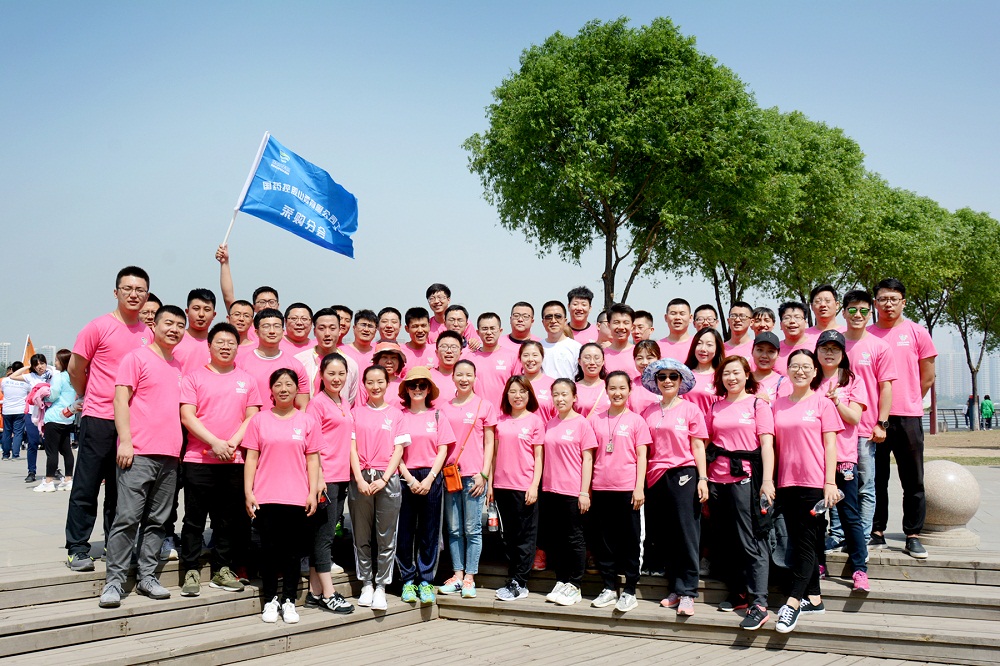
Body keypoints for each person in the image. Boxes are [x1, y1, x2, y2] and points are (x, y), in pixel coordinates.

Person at [65, 266, 153, 572]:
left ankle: (116, 546)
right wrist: (87, 394)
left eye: (140, 290)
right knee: (87, 485)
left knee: (121, 490)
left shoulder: (148, 334)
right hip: (99, 417)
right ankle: (77, 547)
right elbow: (75, 368)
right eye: (127, 289)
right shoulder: (97, 327)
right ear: (116, 292)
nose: (133, 294)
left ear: (146, 296)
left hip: (131, 423)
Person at [98, 305, 186, 609]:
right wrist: (125, 441)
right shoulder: (136, 358)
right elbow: (120, 400)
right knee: (127, 518)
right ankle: (114, 581)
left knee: (158, 520)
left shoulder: (179, 366)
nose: (174, 329)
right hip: (139, 453)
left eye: (179, 325)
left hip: (170, 455)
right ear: (154, 326)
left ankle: (148, 576)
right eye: (168, 323)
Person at [178, 322, 262, 599]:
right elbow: (187, 416)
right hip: (199, 460)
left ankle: (222, 569)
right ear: (209, 345)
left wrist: (232, 443)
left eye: (231, 343)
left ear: (238, 347)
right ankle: (190, 569)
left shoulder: (247, 380)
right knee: (194, 519)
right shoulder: (193, 378)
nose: (226, 347)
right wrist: (214, 442)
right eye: (220, 342)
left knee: (228, 520)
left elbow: (252, 417)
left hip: (234, 461)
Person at [769, 349, 843, 633]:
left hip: (814, 484)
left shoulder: (823, 403)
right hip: (786, 483)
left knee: (806, 542)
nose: (800, 371)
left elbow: (831, 446)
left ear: (814, 372)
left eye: (806, 367)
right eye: (795, 366)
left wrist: (830, 483)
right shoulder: (777, 405)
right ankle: (815, 598)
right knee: (800, 541)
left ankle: (793, 602)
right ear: (787, 370)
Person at [243, 368, 322, 624]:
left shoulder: (307, 421)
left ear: (297, 389)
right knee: (268, 552)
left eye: (289, 384)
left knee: (292, 553)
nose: (284, 389)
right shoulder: (259, 420)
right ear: (271, 390)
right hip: (266, 496)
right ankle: (270, 600)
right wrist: (248, 491)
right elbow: (251, 458)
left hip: (297, 497)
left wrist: (312, 492)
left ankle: (288, 600)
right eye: (278, 384)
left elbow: (313, 460)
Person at [867, 278, 936, 559]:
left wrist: (908, 399)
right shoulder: (867, 335)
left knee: (913, 479)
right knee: (875, 479)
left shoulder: (918, 333)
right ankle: (876, 531)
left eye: (894, 299)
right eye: (883, 299)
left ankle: (912, 534)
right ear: (875, 303)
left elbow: (927, 376)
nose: (888, 304)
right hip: (874, 419)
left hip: (908, 417)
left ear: (903, 302)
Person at [705, 355, 774, 630]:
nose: (731, 378)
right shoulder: (715, 406)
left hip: (746, 478)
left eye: (736, 372)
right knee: (726, 539)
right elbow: (706, 442)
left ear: (747, 375)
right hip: (716, 479)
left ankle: (760, 602)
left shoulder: (758, 405)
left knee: (751, 539)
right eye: (726, 373)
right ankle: (739, 593)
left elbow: (766, 445)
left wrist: (767, 481)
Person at [640, 358, 708, 617]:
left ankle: (688, 591)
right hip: (656, 476)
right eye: (662, 377)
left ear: (681, 381)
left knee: (686, 532)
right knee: (666, 535)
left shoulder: (691, 410)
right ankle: (675, 588)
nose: (667, 381)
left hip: (683, 473)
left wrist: (703, 478)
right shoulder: (648, 411)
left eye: (673, 376)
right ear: (655, 382)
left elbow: (698, 446)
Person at [589, 371, 651, 613]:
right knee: (604, 540)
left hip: (627, 489)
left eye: (622, 388)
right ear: (606, 391)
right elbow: (589, 456)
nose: (617, 393)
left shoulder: (637, 421)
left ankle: (630, 590)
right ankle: (608, 587)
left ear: (629, 390)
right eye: (612, 388)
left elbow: (642, 456)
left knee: (630, 539)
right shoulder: (595, 420)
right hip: (600, 487)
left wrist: (639, 487)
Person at [349, 366, 410, 611]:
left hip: (387, 478)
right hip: (361, 479)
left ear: (387, 383)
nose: (375, 387)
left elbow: (399, 450)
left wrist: (384, 479)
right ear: (364, 384)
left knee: (386, 535)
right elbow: (351, 448)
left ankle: (382, 585)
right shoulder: (355, 413)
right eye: (370, 382)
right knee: (361, 534)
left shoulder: (396, 415)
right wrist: (359, 479)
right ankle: (366, 583)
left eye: (380, 382)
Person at [839, 290, 895, 551]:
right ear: (844, 312)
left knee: (865, 485)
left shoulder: (879, 346)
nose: (857, 315)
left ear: (870, 313)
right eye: (852, 310)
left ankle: (860, 537)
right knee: (837, 484)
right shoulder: (834, 344)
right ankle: (838, 534)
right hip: (835, 428)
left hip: (864, 429)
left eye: (863, 310)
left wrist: (881, 423)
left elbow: (886, 387)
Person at [396, 366, 455, 606]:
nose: (417, 389)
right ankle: (408, 580)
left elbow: (443, 449)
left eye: (422, 385)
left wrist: (430, 477)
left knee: (430, 531)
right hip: (405, 476)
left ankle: (426, 580)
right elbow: (395, 451)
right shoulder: (399, 416)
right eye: (413, 385)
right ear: (406, 389)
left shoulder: (438, 415)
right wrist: (409, 478)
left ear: (429, 389)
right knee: (405, 531)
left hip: (432, 475)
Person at [815, 330, 870, 590]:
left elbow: (855, 418)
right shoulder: (810, 380)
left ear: (843, 353)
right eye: (824, 348)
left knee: (849, 515)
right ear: (816, 352)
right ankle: (818, 563)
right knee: (816, 516)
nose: (829, 353)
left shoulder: (852, 380)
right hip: (815, 459)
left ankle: (860, 569)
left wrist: (837, 401)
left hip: (844, 458)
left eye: (834, 349)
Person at [439, 359, 497, 599]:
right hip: (450, 475)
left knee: (472, 529)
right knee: (453, 529)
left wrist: (484, 474)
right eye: (459, 374)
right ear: (452, 377)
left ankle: (470, 577)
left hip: (474, 476)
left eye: (468, 375)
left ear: (475, 378)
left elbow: (489, 442)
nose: (464, 379)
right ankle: (457, 574)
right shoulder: (443, 408)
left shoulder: (485, 406)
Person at [303, 353, 356, 614]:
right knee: (324, 536)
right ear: (321, 375)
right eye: (331, 373)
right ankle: (329, 593)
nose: (336, 378)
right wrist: (319, 478)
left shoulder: (342, 402)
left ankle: (314, 592)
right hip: (326, 479)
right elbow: (311, 445)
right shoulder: (317, 404)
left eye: (341, 374)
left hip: (342, 477)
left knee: (325, 534)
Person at [539, 378, 597, 607]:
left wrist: (584, 492)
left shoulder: (582, 424)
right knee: (556, 539)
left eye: (564, 394)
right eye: (556, 394)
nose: (560, 398)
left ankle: (575, 584)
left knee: (575, 538)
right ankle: (561, 580)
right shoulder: (550, 423)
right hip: (550, 489)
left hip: (572, 490)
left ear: (574, 397)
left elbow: (588, 459)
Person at [489, 375, 545, 601]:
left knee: (525, 536)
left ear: (529, 395)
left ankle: (520, 582)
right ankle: (513, 577)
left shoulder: (535, 421)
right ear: (506, 395)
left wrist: (534, 485)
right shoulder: (500, 421)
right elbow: (493, 455)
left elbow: (539, 457)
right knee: (509, 536)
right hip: (501, 485)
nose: (517, 396)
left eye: (522, 391)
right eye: (513, 391)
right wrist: (490, 484)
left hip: (524, 486)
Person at [236, 309, 310, 410]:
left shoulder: (295, 365)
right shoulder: (240, 364)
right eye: (266, 326)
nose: (272, 331)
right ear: (256, 332)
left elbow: (303, 407)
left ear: (282, 332)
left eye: (277, 326)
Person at [35, 350, 79, 492]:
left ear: (63, 362)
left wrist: (44, 397)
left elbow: (53, 395)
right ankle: (68, 479)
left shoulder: (58, 377)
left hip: (54, 417)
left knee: (52, 451)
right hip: (68, 417)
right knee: (66, 450)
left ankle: (48, 482)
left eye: (56, 360)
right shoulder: (75, 377)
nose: (55, 363)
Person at [296, 307, 360, 402]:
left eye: (332, 328)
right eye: (321, 328)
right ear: (314, 332)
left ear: (339, 331)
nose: (327, 333)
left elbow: (350, 400)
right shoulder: (299, 361)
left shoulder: (351, 364)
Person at [9, 354, 52, 482]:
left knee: (51, 443)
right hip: (32, 414)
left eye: (42, 363)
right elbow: (12, 376)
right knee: (33, 443)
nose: (40, 367)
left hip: (49, 413)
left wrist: (49, 367)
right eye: (36, 364)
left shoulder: (52, 374)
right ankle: (31, 471)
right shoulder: (30, 376)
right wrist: (27, 366)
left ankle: (53, 469)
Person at [466, 312, 517, 410]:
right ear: (478, 332)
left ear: (500, 331)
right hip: (476, 413)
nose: (489, 332)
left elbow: (518, 386)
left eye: (492, 328)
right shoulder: (469, 358)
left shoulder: (512, 357)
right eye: (485, 329)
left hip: (504, 413)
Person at [171, 288, 217, 375]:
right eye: (196, 309)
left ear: (214, 315)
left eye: (207, 310)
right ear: (187, 312)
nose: (201, 314)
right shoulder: (173, 339)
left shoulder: (218, 344)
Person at [683, 328, 724, 421]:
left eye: (709, 345)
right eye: (699, 343)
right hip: (685, 426)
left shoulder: (722, 377)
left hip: (710, 427)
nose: (703, 349)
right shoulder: (683, 375)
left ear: (717, 348)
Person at [540, 301, 583, 379]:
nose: (553, 321)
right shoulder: (538, 348)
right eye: (548, 317)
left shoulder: (576, 348)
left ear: (565, 321)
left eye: (558, 316)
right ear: (543, 322)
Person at [775, 302, 817, 374]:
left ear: (805, 323)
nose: (792, 321)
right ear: (781, 325)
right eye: (787, 318)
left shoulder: (817, 347)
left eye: (797, 317)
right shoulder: (774, 350)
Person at [519, 341, 555, 421]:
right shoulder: (514, 384)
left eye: (535, 355)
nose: (530, 359)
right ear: (520, 358)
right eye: (526, 355)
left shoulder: (553, 384)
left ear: (542, 358)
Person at [575, 343, 611, 417]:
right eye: (587, 358)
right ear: (579, 361)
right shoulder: (573, 389)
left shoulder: (610, 386)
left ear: (603, 361)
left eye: (596, 358)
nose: (592, 362)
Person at [1, 362, 27, 462]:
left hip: (7, 410)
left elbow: (3, 392)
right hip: (19, 410)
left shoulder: (5, 381)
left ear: (11, 369)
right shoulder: (25, 382)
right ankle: (15, 454)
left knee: (6, 432)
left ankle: (5, 455)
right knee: (18, 433)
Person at [750, 332, 786, 402]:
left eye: (771, 351)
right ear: (752, 351)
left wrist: (769, 403)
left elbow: (784, 407)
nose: (764, 356)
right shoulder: (744, 379)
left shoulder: (782, 382)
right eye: (760, 350)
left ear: (778, 354)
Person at [628, 340, 661, 415]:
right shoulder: (630, 385)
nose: (644, 362)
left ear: (658, 359)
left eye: (649, 358)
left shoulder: (668, 383)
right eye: (639, 358)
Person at [602, 303, 636, 375]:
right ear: (609, 325)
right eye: (616, 322)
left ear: (632, 326)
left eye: (626, 323)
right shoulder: (601, 355)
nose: (621, 327)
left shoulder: (638, 353)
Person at [372, 341, 406, 409]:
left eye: (394, 358)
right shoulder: (369, 384)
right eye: (384, 357)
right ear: (377, 361)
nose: (389, 361)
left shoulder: (405, 385)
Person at [429, 331, 462, 401]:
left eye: (454, 347)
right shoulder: (427, 376)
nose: (449, 351)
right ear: (436, 352)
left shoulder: (468, 379)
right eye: (444, 346)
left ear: (460, 353)